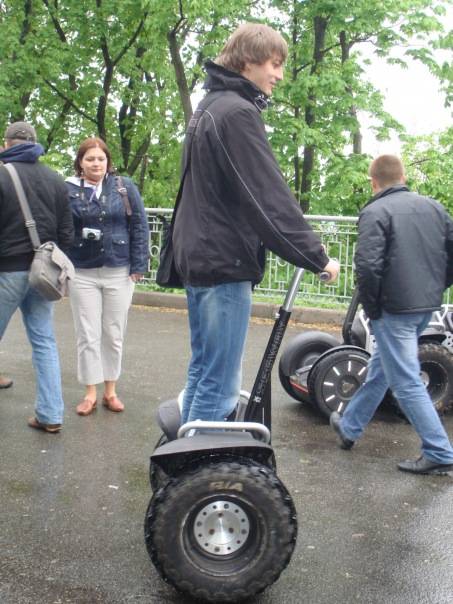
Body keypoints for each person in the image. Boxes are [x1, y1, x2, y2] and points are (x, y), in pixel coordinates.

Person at [172, 23, 339, 425]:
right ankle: (203, 460)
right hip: (223, 261)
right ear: (248, 61)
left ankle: (185, 450)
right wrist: (316, 257)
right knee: (220, 383)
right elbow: (267, 196)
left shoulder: (210, 106)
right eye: (274, 64)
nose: (279, 75)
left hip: (200, 257)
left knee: (203, 370)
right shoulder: (237, 113)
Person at [330, 154, 453, 475]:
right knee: (382, 368)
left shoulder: (375, 212)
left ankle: (439, 451)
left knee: (405, 381)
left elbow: (367, 267)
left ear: (374, 182)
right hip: (425, 306)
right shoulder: (434, 208)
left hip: (394, 309)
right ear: (402, 178)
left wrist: (373, 308)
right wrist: (435, 288)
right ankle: (350, 426)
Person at [66, 137, 149, 416]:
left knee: (113, 333)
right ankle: (90, 391)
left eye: (100, 159)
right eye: (90, 159)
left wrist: (139, 264)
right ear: (80, 162)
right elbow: (62, 227)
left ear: (108, 161)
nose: (96, 164)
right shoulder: (68, 189)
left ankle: (110, 391)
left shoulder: (123, 186)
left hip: (119, 269)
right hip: (82, 271)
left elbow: (139, 225)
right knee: (87, 334)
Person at [0, 121, 74, 432]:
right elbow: (67, 232)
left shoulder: (2, 174)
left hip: (8, 270)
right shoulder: (55, 178)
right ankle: (51, 414)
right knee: (44, 342)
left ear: (7, 143)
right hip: (43, 273)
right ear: (34, 143)